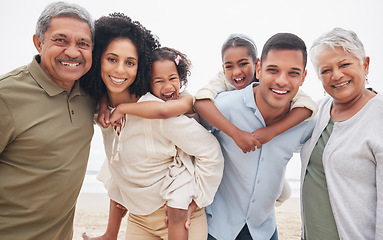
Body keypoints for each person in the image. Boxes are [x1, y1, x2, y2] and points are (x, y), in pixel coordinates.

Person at [80, 14, 223, 240]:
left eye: (130, 62)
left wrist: (197, 200)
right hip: (138, 219)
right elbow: (117, 170)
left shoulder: (157, 112)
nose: (119, 70)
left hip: (178, 218)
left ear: (141, 69)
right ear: (98, 59)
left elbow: (211, 152)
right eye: (111, 59)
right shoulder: (101, 112)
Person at [203, 33, 316, 240]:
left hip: (264, 231)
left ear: (303, 77)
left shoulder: (305, 123)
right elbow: (190, 117)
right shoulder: (222, 107)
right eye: (273, 70)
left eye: (293, 73)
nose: (281, 81)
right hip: (217, 228)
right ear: (259, 68)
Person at [0, 2, 95, 239]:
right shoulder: (6, 95)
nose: (73, 52)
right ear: (39, 43)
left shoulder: (91, 94)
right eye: (60, 40)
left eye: (83, 44)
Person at [300, 28, 383, 240]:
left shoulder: (379, 118)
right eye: (326, 70)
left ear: (365, 65)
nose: (336, 75)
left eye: (344, 64)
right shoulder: (315, 113)